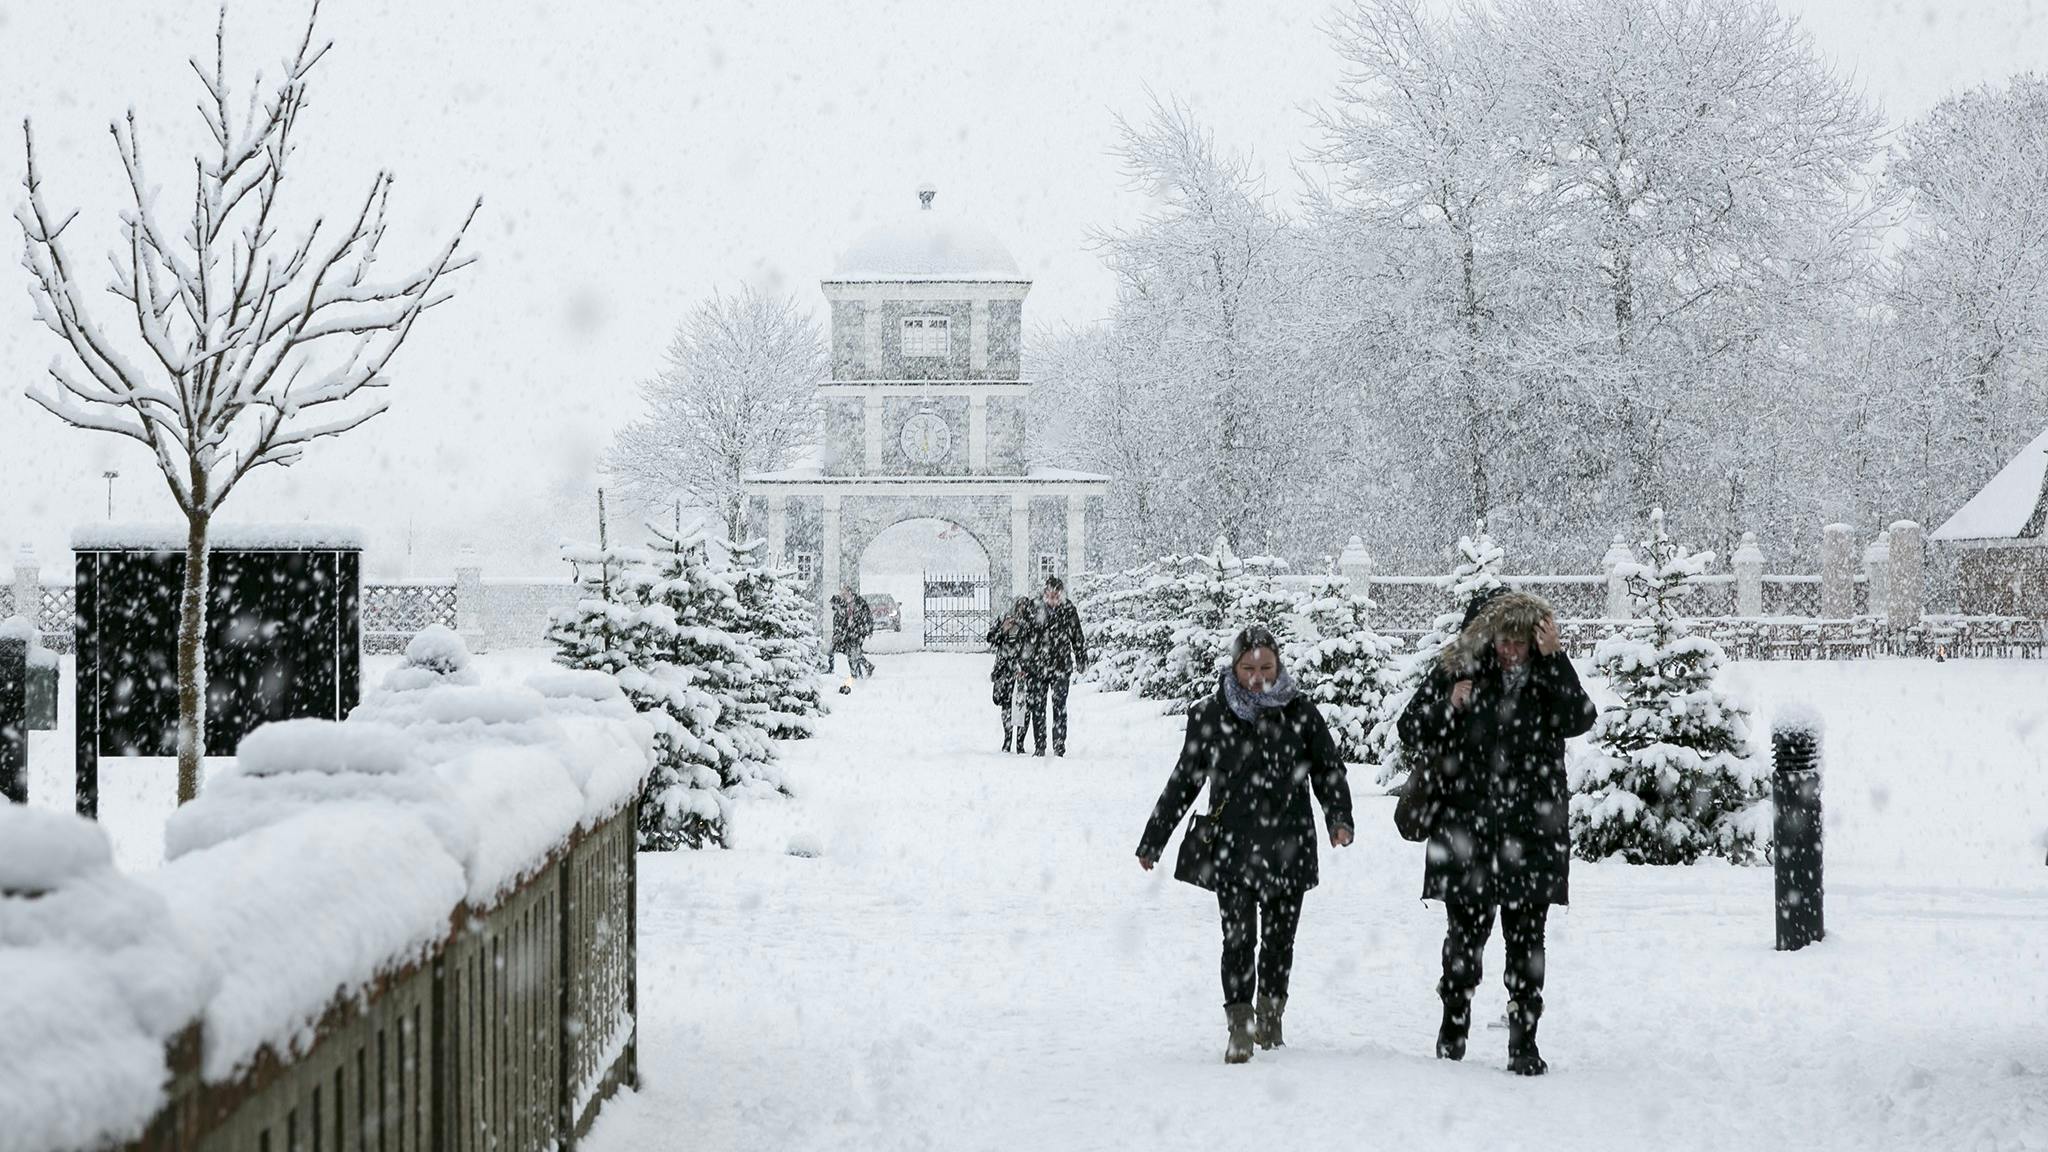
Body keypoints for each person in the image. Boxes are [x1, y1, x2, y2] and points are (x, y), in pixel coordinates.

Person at [1396, 588, 1596, 1076]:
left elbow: (1580, 717)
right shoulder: (1460, 670)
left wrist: (1555, 661)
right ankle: (1453, 1027)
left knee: (1527, 944)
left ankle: (1523, 1040)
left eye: (1520, 641)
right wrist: (1450, 705)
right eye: (1503, 640)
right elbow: (1410, 727)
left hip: (1532, 831)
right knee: (1464, 941)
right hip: (1468, 828)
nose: (1511, 651)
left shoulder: (1547, 671)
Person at [1135, 626, 1356, 1064]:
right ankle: (1240, 1025)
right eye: (1248, 668)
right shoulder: (1212, 715)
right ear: (1235, 668)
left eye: (1266, 668)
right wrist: (1154, 838)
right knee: (1237, 940)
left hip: (1288, 845)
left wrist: (1339, 818)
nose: (1257, 677)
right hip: (1233, 847)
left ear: (1279, 666)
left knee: (1278, 941)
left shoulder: (1300, 712)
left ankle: (1270, 1017)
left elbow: (1328, 770)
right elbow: (1185, 781)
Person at [986, 597, 1034, 752]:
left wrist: (1022, 626)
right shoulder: (1005, 618)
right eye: (1019, 606)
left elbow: (1035, 640)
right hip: (1004, 668)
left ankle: (1020, 743)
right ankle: (1007, 740)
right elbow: (991, 638)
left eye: (1024, 607)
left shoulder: (1031, 622)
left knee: (1023, 706)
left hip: (1022, 668)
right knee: (1006, 704)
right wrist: (1003, 629)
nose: (1021, 609)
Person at [830, 586, 875, 679]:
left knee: (853, 652)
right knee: (853, 652)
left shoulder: (859, 601)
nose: (843, 596)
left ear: (850, 592)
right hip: (849, 632)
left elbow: (868, 614)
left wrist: (869, 629)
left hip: (859, 630)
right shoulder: (844, 604)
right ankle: (864, 668)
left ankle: (857, 674)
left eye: (844, 593)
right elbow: (841, 617)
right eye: (842, 594)